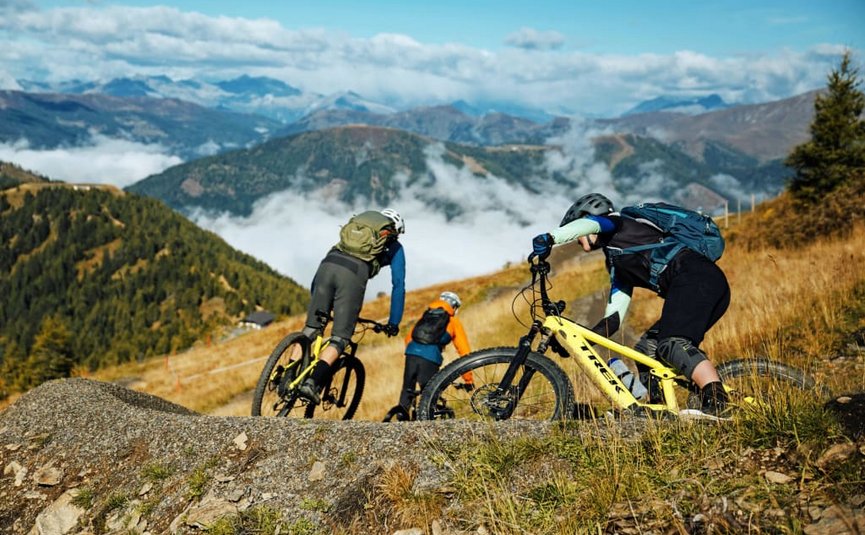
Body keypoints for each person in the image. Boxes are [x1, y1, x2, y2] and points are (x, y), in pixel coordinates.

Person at [531, 193, 731, 417]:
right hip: (698, 285)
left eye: (578, 232)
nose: (578, 239)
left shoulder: (618, 224)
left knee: (673, 343)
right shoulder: (617, 260)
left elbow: (592, 224)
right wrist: (576, 340)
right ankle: (659, 411)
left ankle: (718, 403)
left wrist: (551, 238)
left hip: (698, 280)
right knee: (646, 349)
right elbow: (613, 319)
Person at [297, 208, 406, 404]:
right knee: (340, 339)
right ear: (393, 231)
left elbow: (327, 262)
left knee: (311, 329)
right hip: (353, 274)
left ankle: (284, 375)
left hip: (327, 266)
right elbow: (398, 285)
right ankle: (312, 383)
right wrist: (394, 322)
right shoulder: (395, 246)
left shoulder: (354, 233)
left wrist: (317, 301)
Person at [384, 291, 473, 421]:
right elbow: (464, 350)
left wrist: (416, 351)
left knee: (407, 389)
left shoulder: (426, 315)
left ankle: (401, 419)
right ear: (454, 307)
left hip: (411, 353)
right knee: (429, 394)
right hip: (431, 358)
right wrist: (468, 380)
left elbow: (408, 338)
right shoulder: (453, 321)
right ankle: (427, 423)